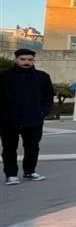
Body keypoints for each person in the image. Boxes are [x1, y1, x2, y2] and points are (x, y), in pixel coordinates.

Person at [0, 48, 53, 185]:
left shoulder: (42, 77)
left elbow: (48, 97)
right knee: (9, 148)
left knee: (32, 147)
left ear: (33, 60)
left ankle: (29, 171)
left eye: (29, 60)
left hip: (33, 119)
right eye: (23, 59)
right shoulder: (4, 76)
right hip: (8, 120)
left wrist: (42, 112)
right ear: (16, 59)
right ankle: (11, 175)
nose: (26, 62)